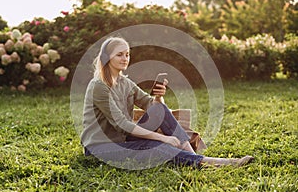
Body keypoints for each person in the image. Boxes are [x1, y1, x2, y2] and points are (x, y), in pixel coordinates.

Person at [81, 37, 254, 169]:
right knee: (157, 146)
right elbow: (122, 124)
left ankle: (194, 157)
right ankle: (209, 163)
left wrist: (158, 97)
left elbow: (153, 106)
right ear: (106, 57)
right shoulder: (99, 86)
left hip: (122, 140)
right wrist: (163, 137)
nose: (125, 58)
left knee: (159, 109)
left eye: (127, 54)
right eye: (119, 54)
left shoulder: (125, 82)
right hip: (100, 148)